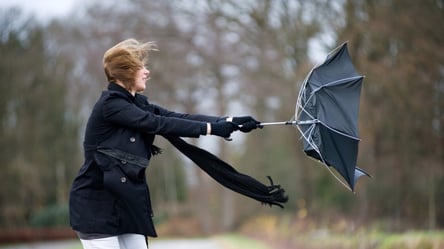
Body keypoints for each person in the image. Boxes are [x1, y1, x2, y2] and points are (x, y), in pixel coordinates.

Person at [68, 38, 261, 249]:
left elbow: (176, 116)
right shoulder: (111, 105)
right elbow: (157, 123)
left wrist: (229, 121)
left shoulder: (137, 104)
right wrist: (211, 129)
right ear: (125, 71)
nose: (146, 72)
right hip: (96, 206)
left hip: (126, 204)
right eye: (140, 67)